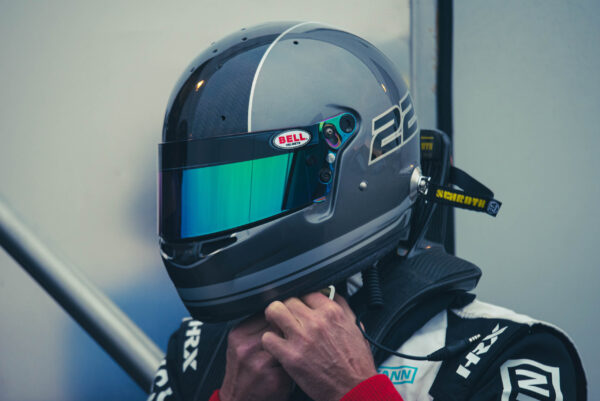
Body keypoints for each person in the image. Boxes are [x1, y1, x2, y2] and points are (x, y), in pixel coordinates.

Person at [150, 22, 587, 401]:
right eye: (206, 197)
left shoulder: (510, 353)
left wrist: (353, 389)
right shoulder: (199, 349)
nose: (217, 220)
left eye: (250, 190)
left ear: (344, 173)